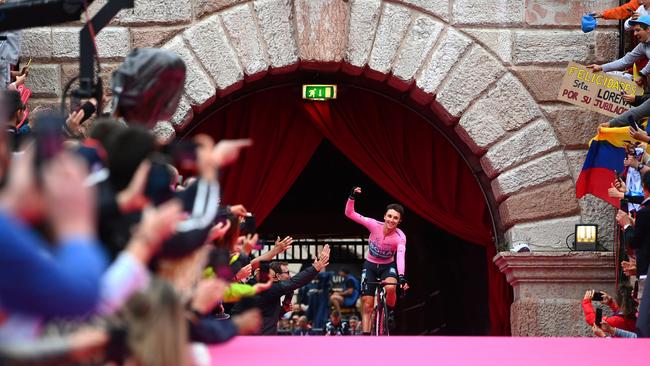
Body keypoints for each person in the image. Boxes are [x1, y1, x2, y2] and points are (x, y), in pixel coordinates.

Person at [344, 187, 409, 335]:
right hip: (370, 265)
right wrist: (352, 197)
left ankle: (389, 310)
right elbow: (349, 213)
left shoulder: (400, 237)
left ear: (399, 221)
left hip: (388, 266)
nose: (391, 220)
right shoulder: (374, 225)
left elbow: (400, 256)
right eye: (389, 216)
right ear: (384, 216)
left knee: (391, 287)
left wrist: (402, 276)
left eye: (395, 218)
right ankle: (366, 335)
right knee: (367, 304)